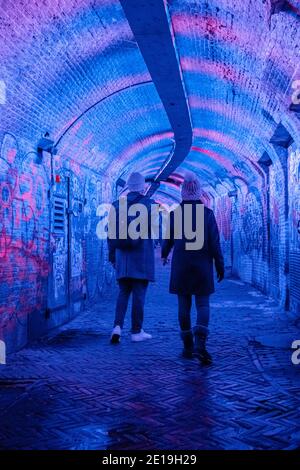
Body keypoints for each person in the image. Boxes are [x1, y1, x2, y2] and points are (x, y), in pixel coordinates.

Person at [161, 172, 224, 365]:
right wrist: (219, 265)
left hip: (181, 265)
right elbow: (214, 243)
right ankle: (200, 344)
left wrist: (164, 254)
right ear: (199, 192)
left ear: (182, 193)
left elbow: (169, 238)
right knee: (203, 305)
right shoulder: (207, 214)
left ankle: (187, 347)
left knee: (183, 306)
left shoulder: (175, 214)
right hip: (202, 266)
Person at [108, 172, 155, 343]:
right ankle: (136, 331)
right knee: (139, 295)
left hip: (122, 258)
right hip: (141, 258)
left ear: (128, 186)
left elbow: (110, 233)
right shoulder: (150, 205)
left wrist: (112, 255)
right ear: (143, 187)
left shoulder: (115, 205)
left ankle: (117, 327)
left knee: (123, 293)